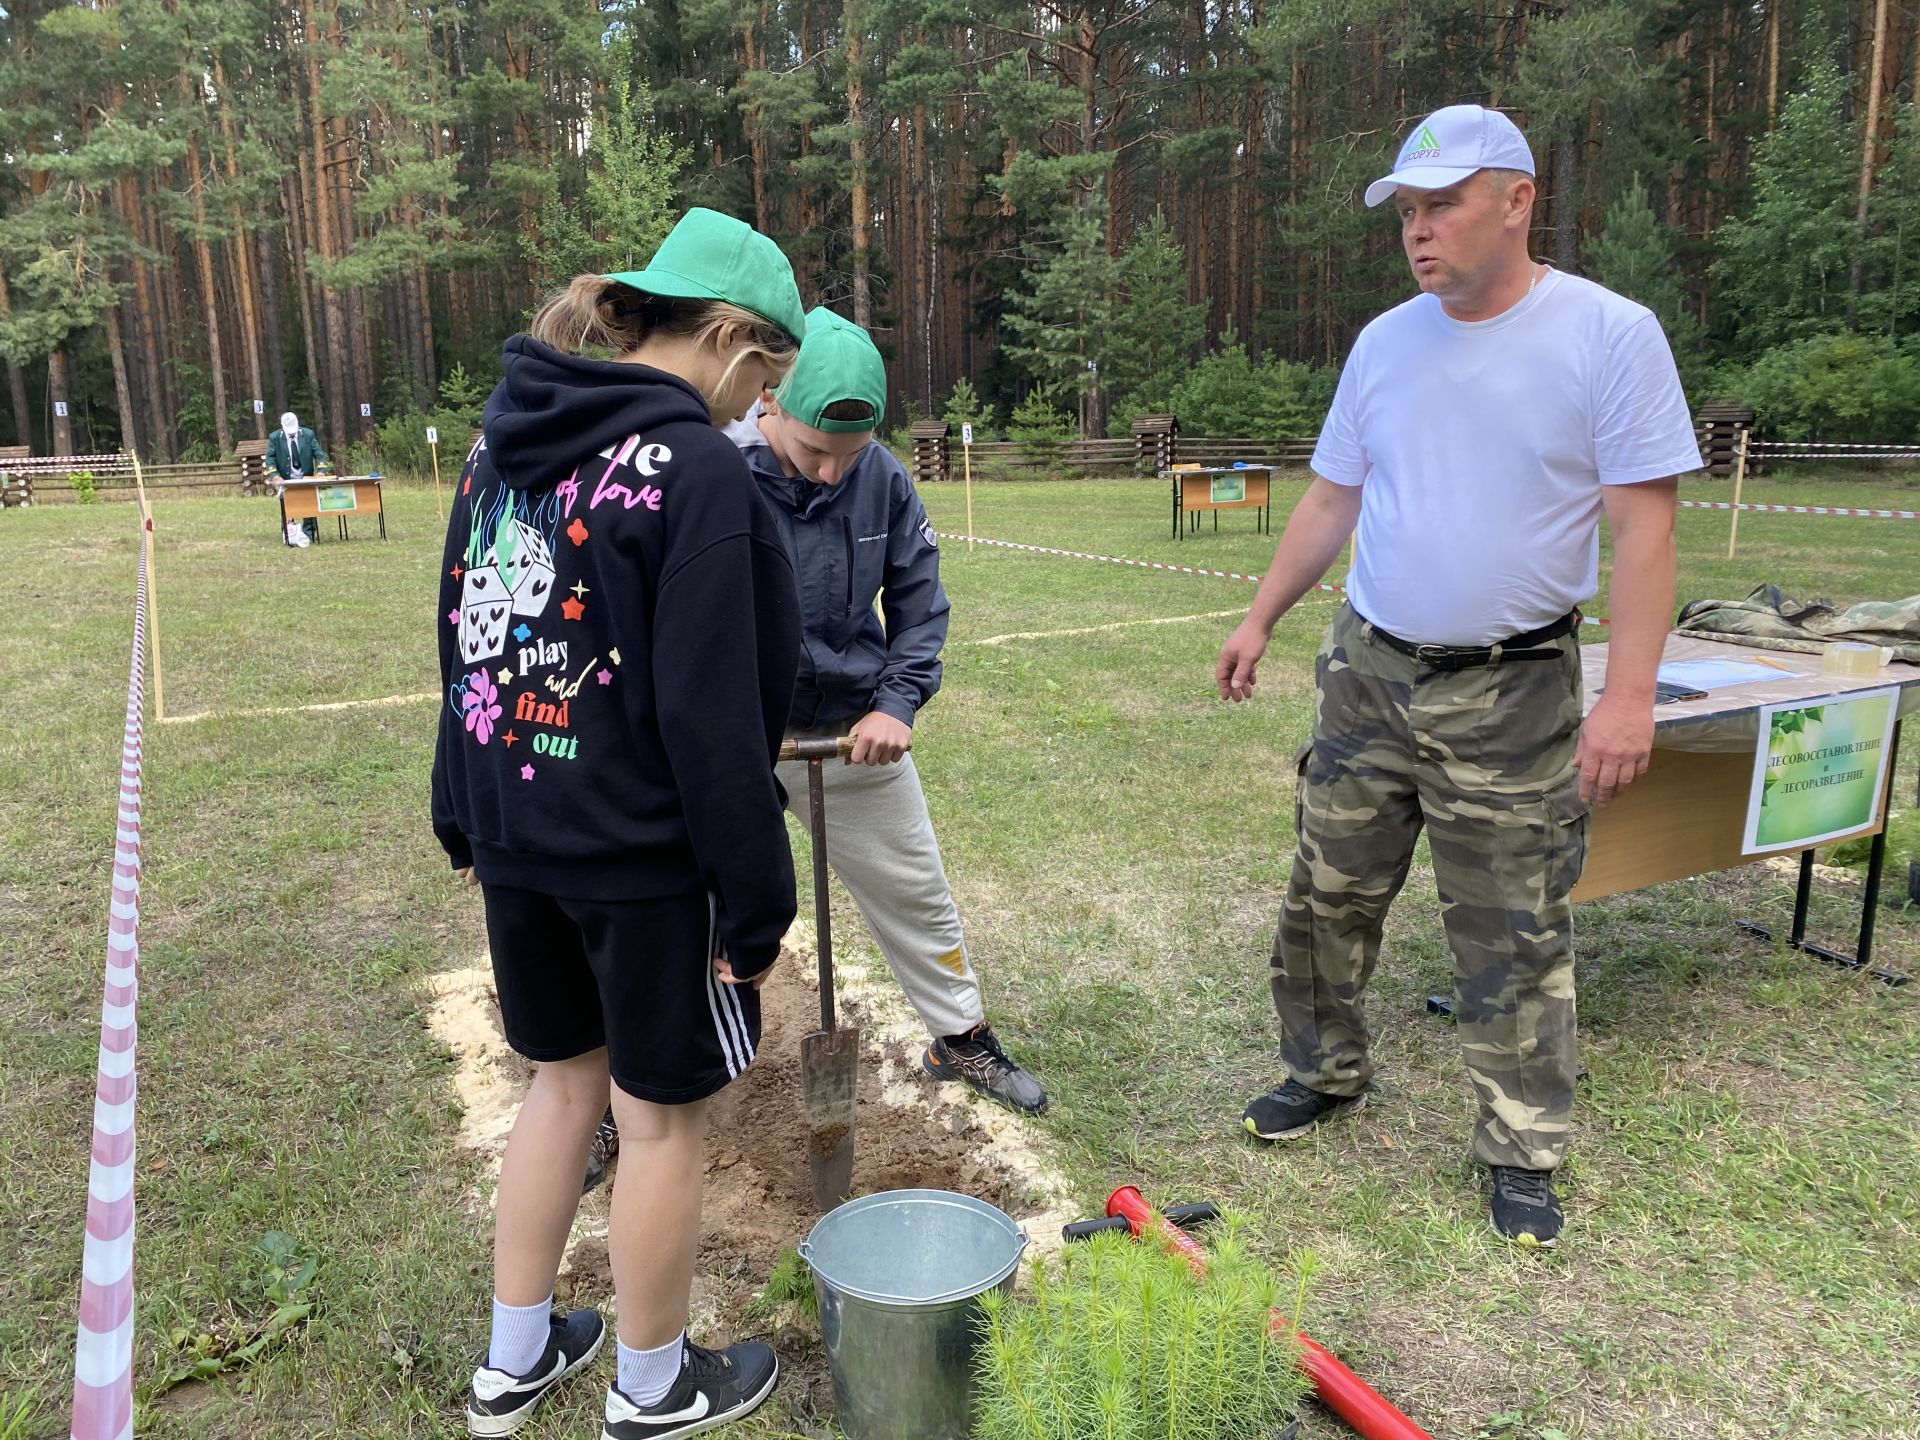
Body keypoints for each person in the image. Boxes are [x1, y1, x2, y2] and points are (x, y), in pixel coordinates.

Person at [1216, 105, 1697, 1249]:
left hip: (1514, 687)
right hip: (1369, 672)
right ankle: (1324, 1072)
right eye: (1407, 212)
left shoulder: (1608, 336)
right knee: (1326, 894)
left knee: (1512, 926)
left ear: (1518, 200)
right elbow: (1334, 495)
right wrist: (1261, 614)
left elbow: (1645, 533)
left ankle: (1522, 1147)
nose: (1418, 232)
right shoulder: (1387, 343)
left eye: (1442, 205)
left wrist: (1626, 697)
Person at [431, 207, 806, 1439]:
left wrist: (460, 804)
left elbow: (467, 636)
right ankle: (652, 1387)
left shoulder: (500, 448)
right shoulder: (697, 472)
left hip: (516, 838)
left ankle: (514, 1360)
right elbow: (719, 711)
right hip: (642, 862)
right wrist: (756, 900)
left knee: (558, 1086)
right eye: (768, 380)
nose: (760, 408)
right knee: (654, 1124)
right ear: (736, 345)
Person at [735, 307, 1048, 1115]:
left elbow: (919, 604)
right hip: (730, 737)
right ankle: (637, 1090)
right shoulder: (713, 472)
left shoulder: (885, 480)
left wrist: (897, 704)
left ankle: (960, 1039)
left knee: (915, 886)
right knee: (695, 908)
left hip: (849, 731)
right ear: (771, 403)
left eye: (852, 454)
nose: (834, 474)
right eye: (814, 452)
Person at [266, 410, 330, 546]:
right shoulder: (274, 437)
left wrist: (321, 471)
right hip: (285, 478)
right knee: (288, 506)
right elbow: (270, 458)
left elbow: (319, 454)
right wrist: (274, 475)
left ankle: (310, 532)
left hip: (305, 475)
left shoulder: (308, 434)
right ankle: (288, 533)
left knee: (309, 504)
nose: (292, 434)